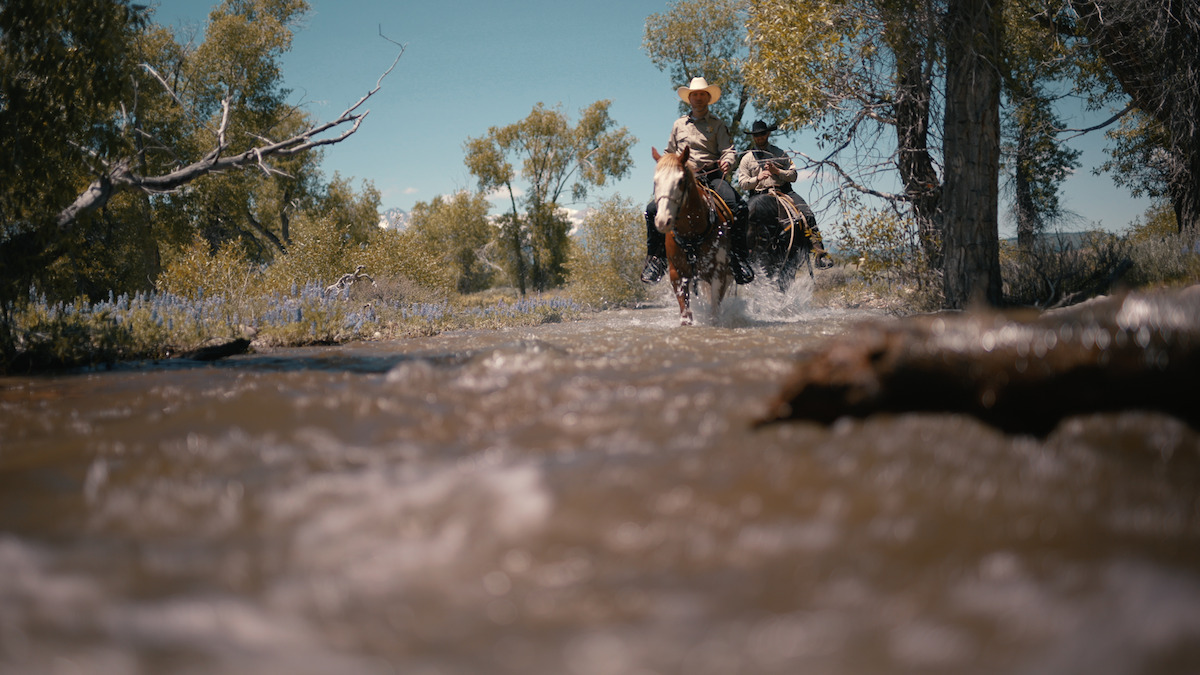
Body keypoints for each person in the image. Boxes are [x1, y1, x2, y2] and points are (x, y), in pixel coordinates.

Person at [642, 77, 754, 285]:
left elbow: (728, 150)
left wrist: (728, 162)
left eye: (702, 94)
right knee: (651, 210)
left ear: (708, 98)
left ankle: (739, 258)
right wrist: (666, 164)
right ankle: (656, 259)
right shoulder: (679, 125)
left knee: (739, 208)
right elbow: (670, 152)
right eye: (695, 95)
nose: (699, 98)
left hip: (710, 176)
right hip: (683, 177)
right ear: (690, 99)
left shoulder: (717, 125)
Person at [735, 120, 833, 269]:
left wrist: (777, 172)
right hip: (758, 194)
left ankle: (819, 254)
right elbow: (743, 183)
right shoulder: (747, 159)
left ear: (767, 134)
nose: (759, 137)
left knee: (806, 214)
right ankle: (739, 258)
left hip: (783, 191)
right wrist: (757, 178)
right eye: (756, 135)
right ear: (753, 137)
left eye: (762, 134)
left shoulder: (780, 153)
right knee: (739, 219)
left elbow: (793, 175)